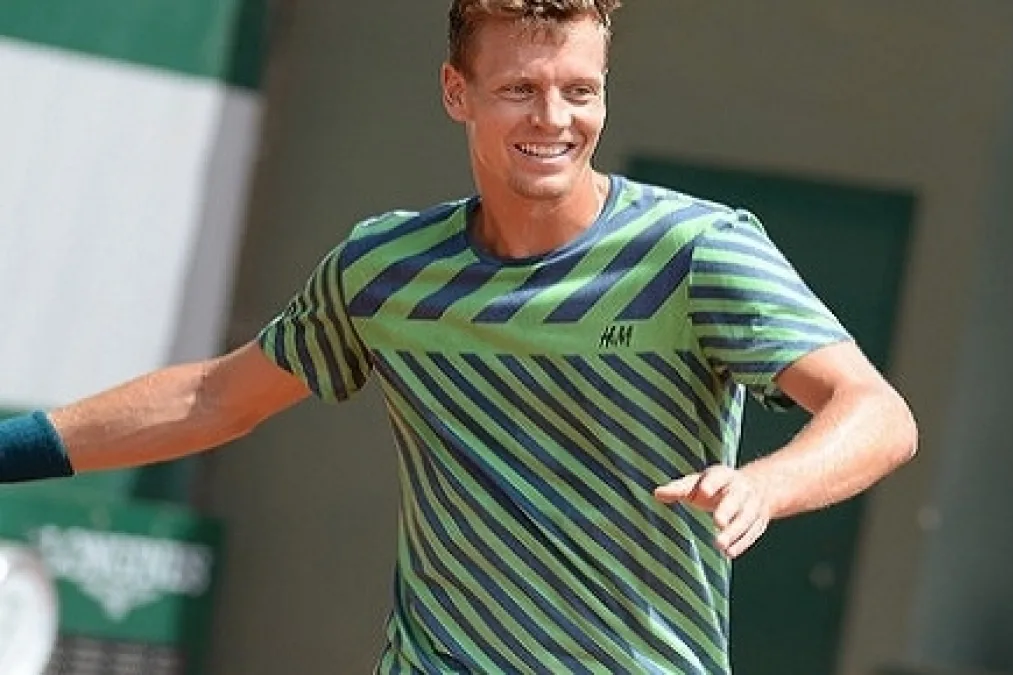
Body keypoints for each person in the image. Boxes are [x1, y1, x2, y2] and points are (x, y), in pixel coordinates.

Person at [0, 1, 918, 672]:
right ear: (456, 91)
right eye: (519, 89)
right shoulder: (384, 269)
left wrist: (765, 483)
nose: (554, 119)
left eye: (580, 91)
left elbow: (877, 411)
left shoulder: (698, 252)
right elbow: (216, 399)